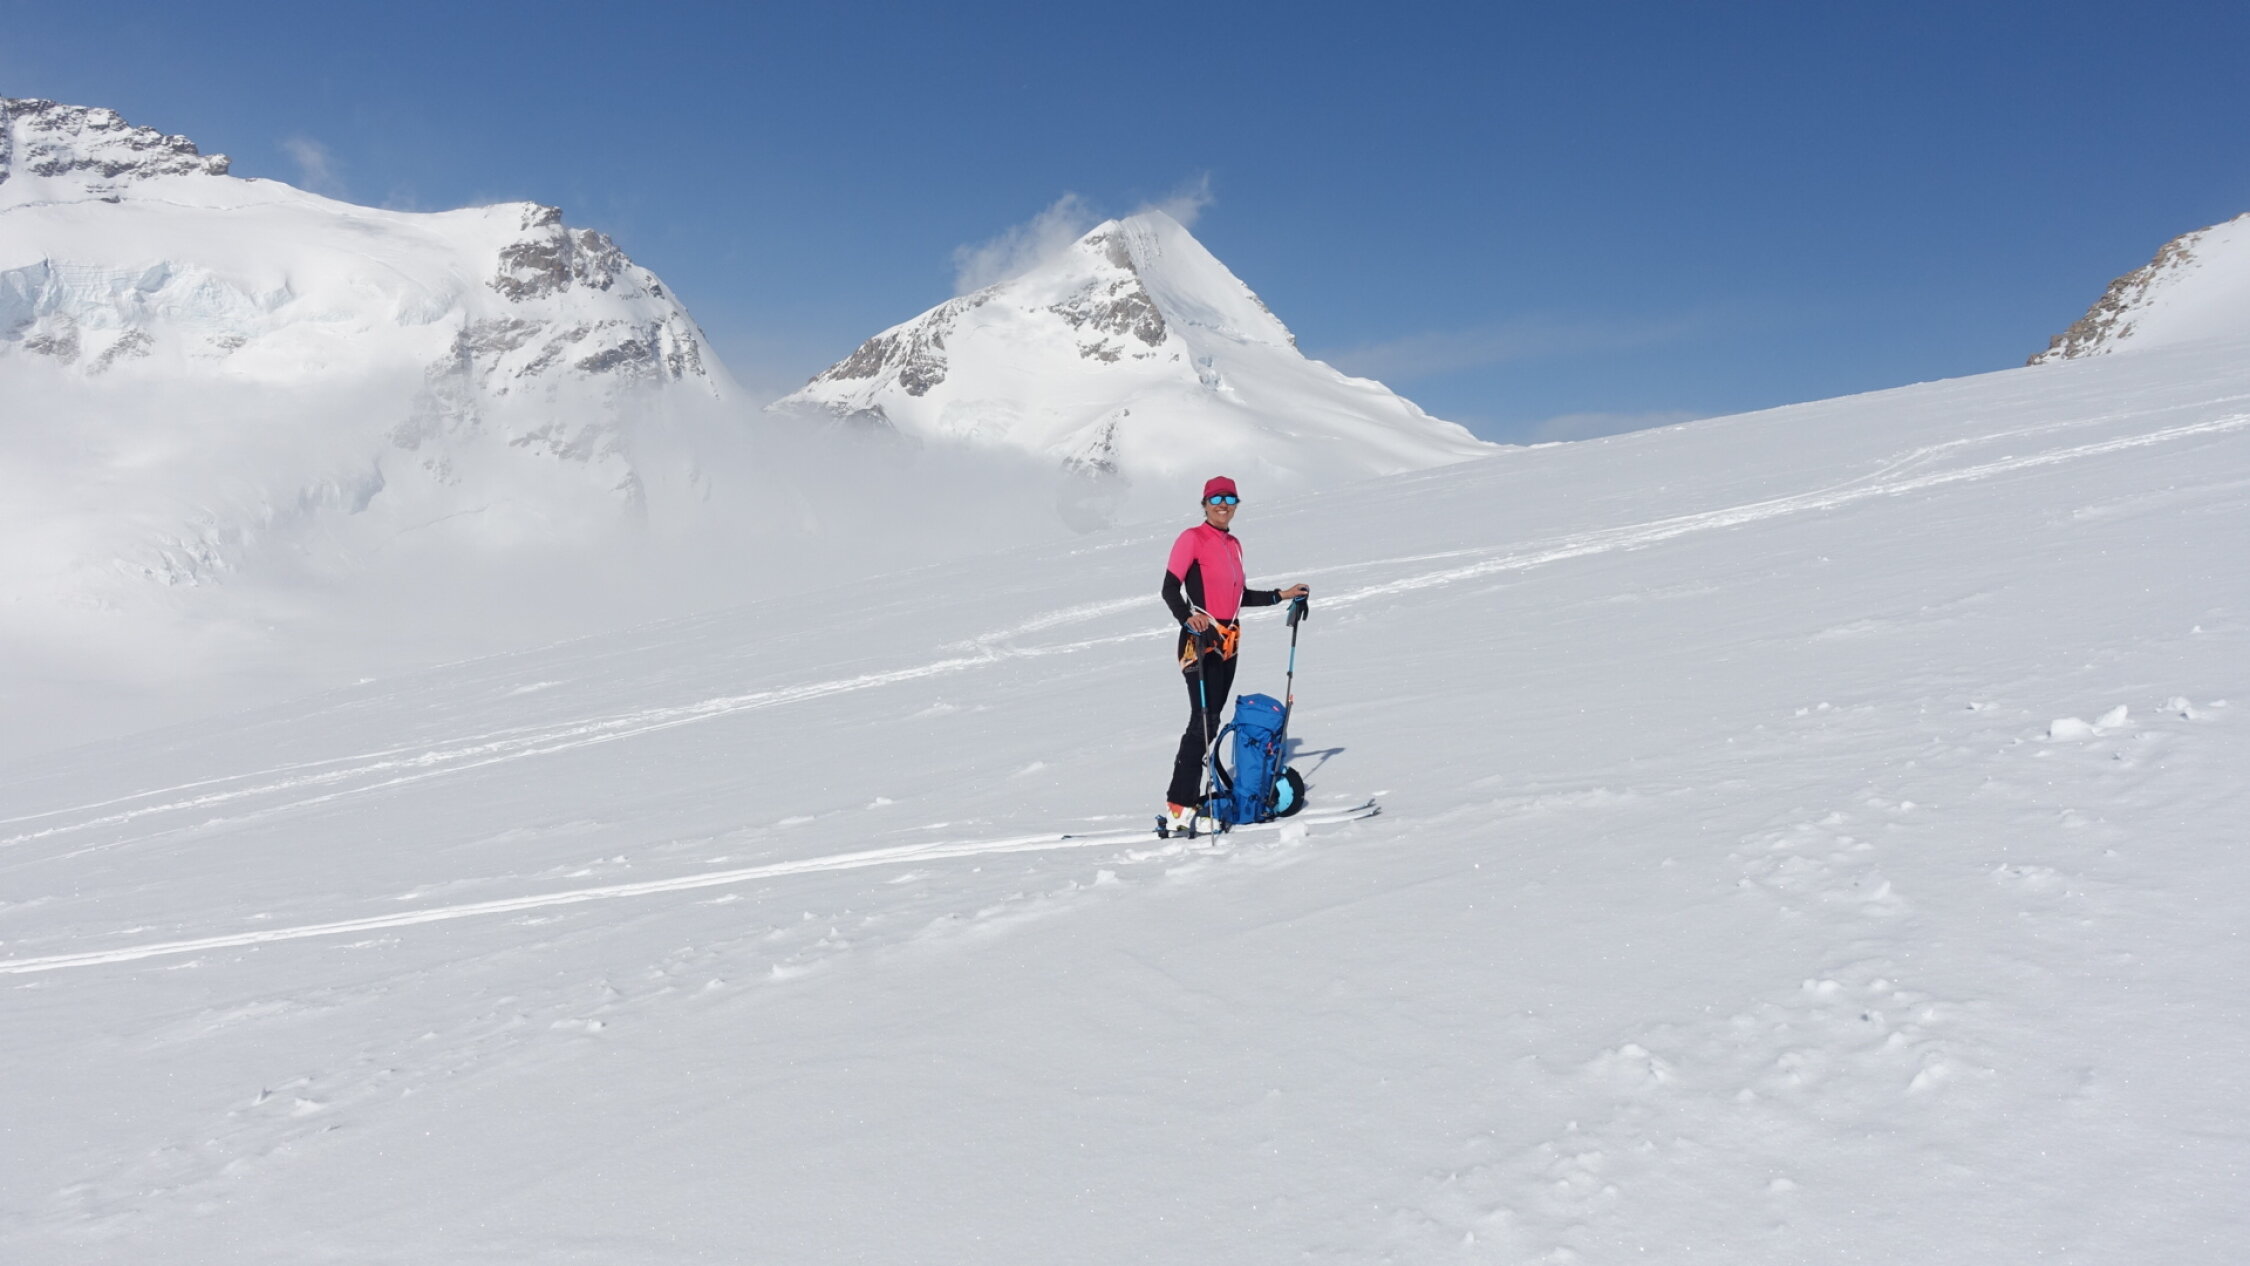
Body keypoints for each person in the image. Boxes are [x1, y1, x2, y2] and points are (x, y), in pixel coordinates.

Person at [1160, 476, 1308, 831]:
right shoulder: (1192, 538)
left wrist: (1281, 595)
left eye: (1229, 499)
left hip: (1229, 642)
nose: (1223, 505)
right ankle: (1180, 806)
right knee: (1203, 721)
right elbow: (1169, 589)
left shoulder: (1233, 544)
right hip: (1201, 640)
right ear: (1205, 504)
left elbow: (1239, 597)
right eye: (1216, 499)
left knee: (1211, 721)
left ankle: (1189, 802)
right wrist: (1188, 617)